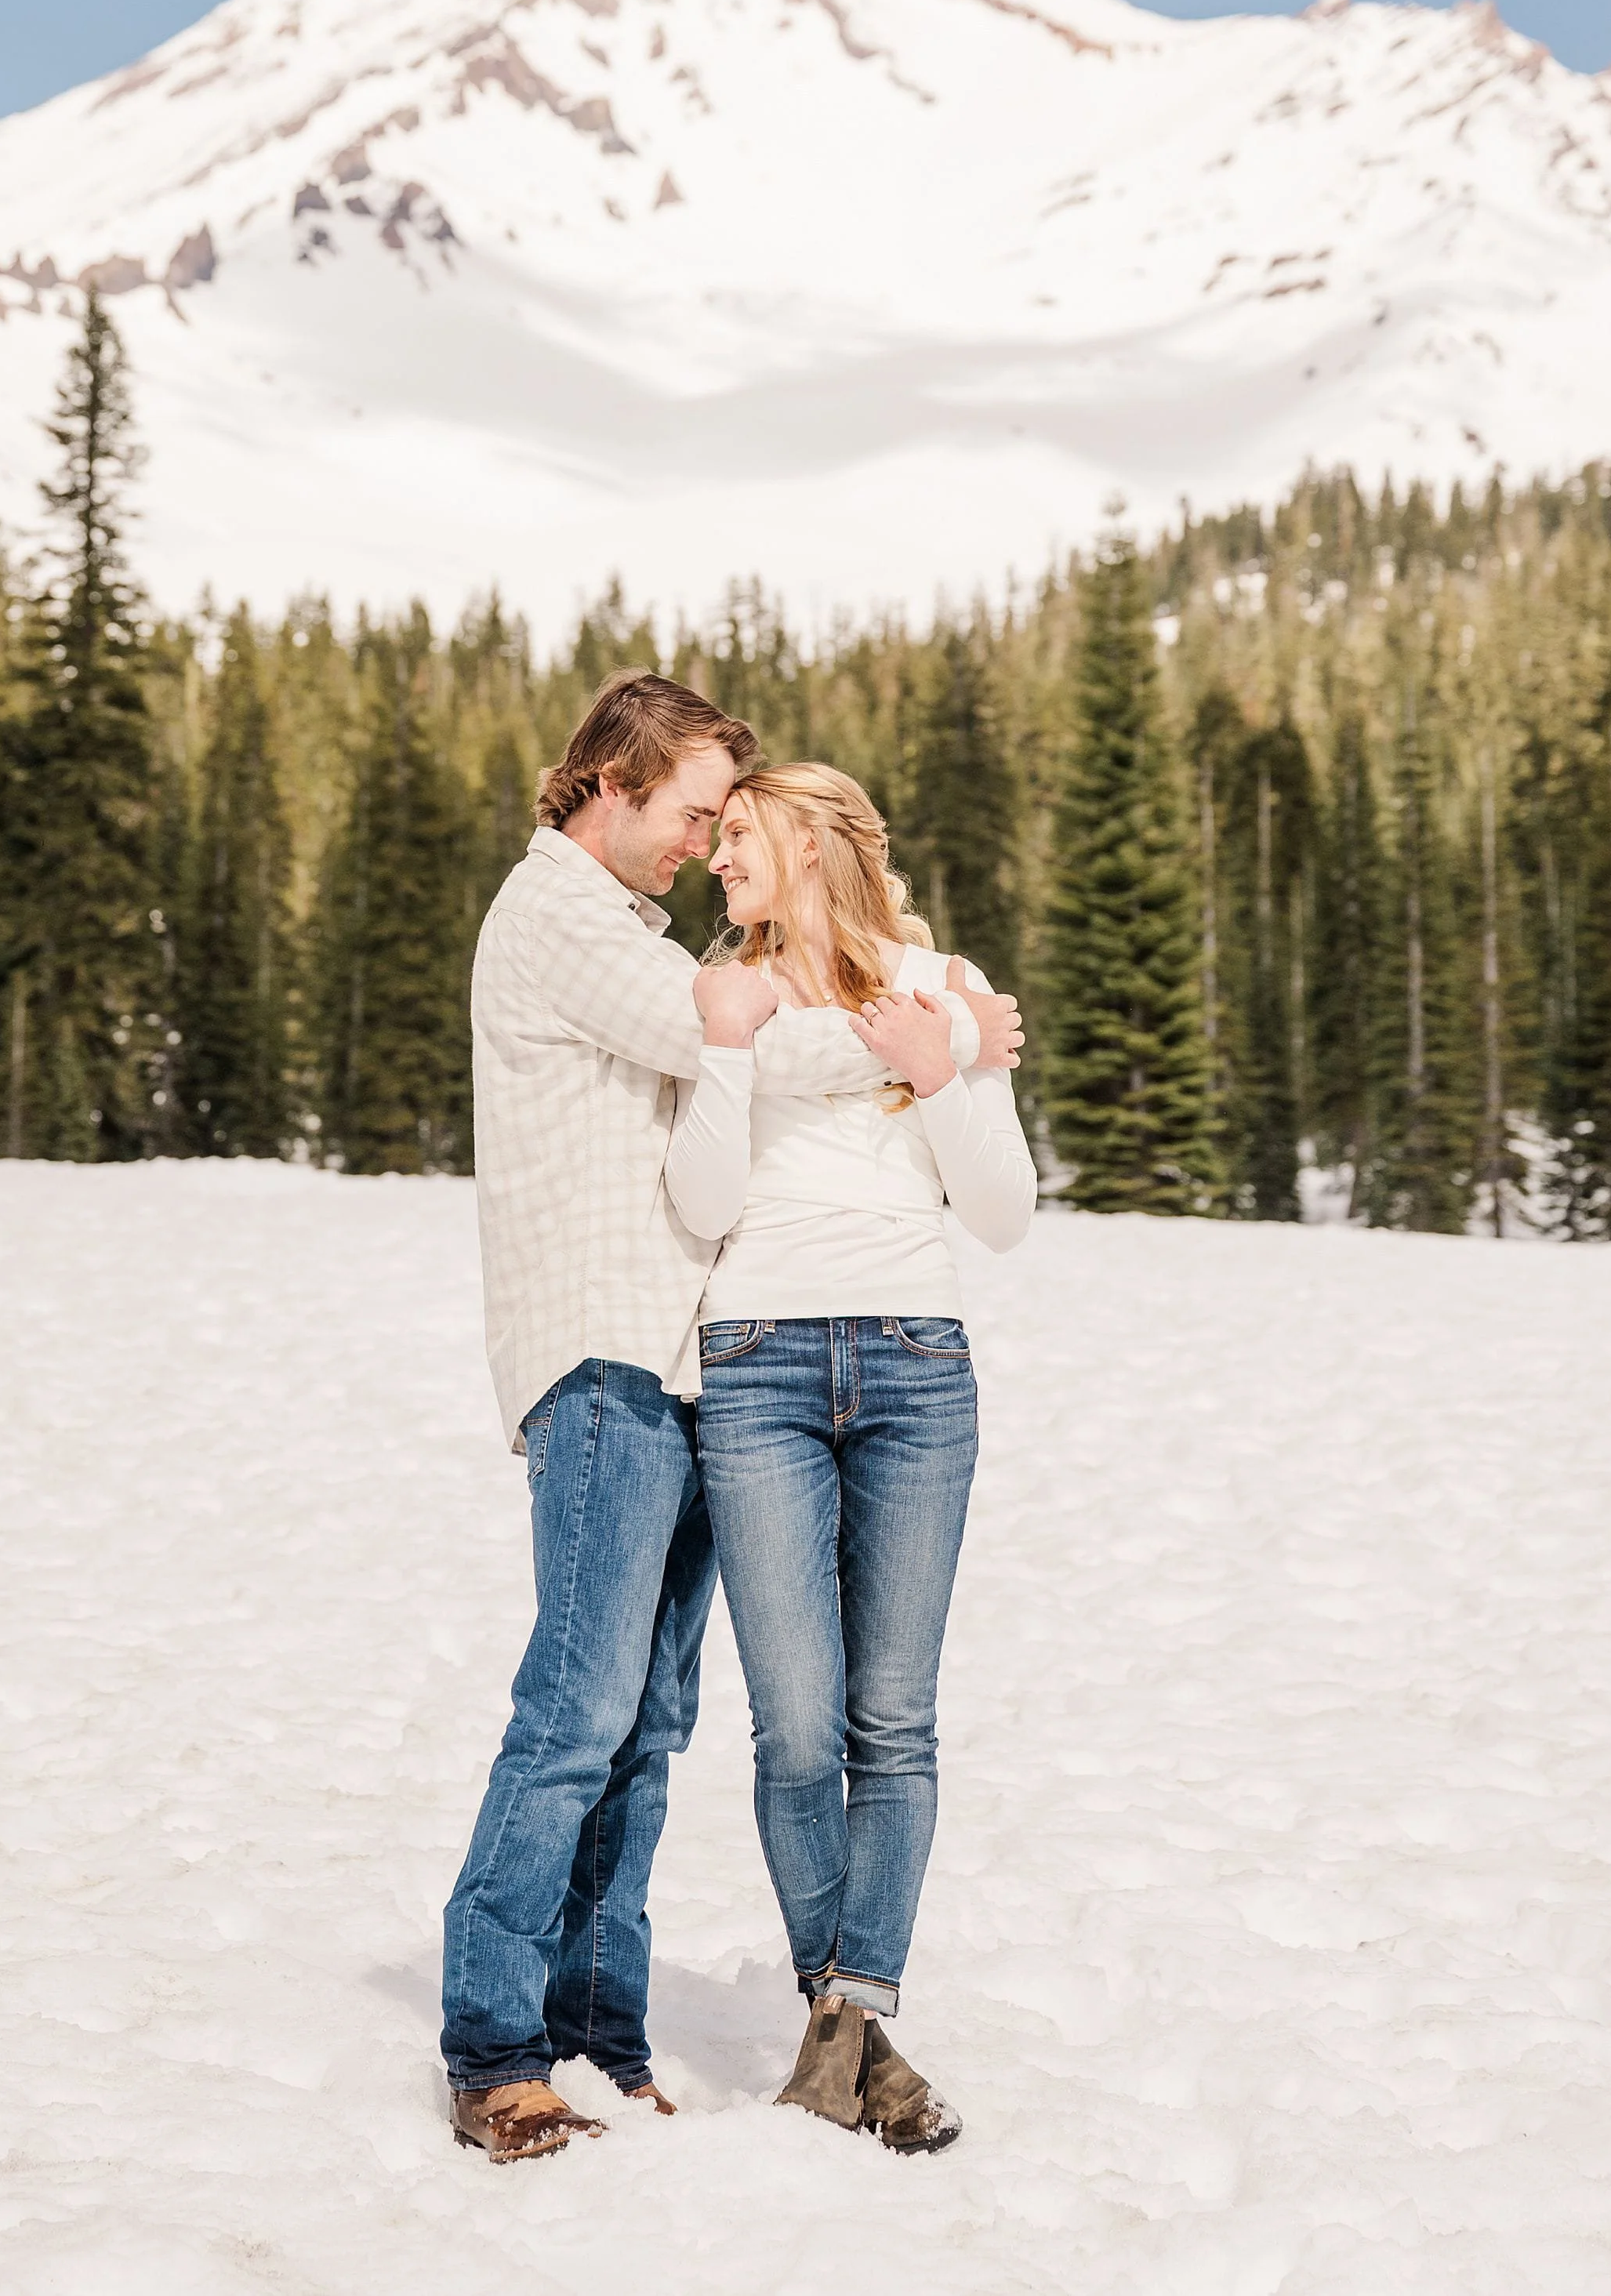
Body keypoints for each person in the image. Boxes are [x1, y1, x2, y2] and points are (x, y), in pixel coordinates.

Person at [441, 676, 998, 2164]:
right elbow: (725, 1040)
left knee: (650, 1723)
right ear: (612, 785)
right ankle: (497, 2041)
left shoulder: (628, 921)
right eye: (694, 811)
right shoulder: (556, 911)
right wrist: (930, 1028)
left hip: (691, 1369)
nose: (702, 844)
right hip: (607, 1359)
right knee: (577, 1713)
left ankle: (601, 2029)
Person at [662, 761, 1036, 2154]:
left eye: (740, 835)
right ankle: (862, 2048)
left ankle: (844, 2017)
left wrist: (942, 1076)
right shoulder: (725, 989)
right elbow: (700, 1200)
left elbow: (1002, 1210)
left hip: (915, 1365)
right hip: (753, 1361)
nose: (717, 859)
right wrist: (718, 1047)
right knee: (796, 1728)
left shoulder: (941, 982)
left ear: (814, 840)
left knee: (894, 1721)